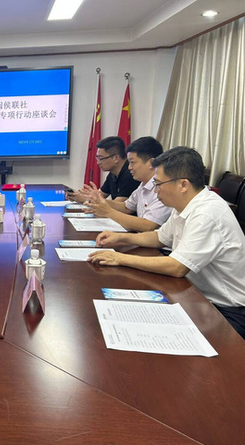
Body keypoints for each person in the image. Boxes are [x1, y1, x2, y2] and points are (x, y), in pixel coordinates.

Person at [88, 147, 245, 338]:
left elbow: (177, 267)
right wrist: (121, 237)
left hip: (227, 310)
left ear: (183, 185)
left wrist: (119, 258)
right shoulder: (184, 205)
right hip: (196, 295)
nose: (156, 190)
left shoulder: (207, 213)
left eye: (159, 184)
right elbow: (159, 237)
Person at [84, 137, 171, 231]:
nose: (129, 167)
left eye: (132, 163)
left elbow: (148, 225)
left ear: (151, 163)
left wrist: (109, 212)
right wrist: (100, 201)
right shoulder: (143, 185)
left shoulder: (164, 187)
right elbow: (126, 207)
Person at [69, 136, 140, 204]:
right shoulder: (113, 174)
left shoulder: (130, 174)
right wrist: (79, 196)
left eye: (101, 158)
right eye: (97, 158)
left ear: (116, 158)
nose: (98, 162)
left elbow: (119, 205)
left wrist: (87, 200)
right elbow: (100, 195)